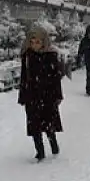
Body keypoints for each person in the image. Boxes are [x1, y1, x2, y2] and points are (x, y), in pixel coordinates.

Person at [19, 26, 63, 162]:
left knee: (49, 124)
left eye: (37, 42)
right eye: (32, 42)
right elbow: (24, 76)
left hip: (48, 95)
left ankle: (53, 145)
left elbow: (56, 78)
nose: (34, 45)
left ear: (44, 41)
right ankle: (40, 151)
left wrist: (58, 95)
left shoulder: (51, 55)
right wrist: (23, 95)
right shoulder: (27, 56)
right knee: (34, 125)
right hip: (32, 95)